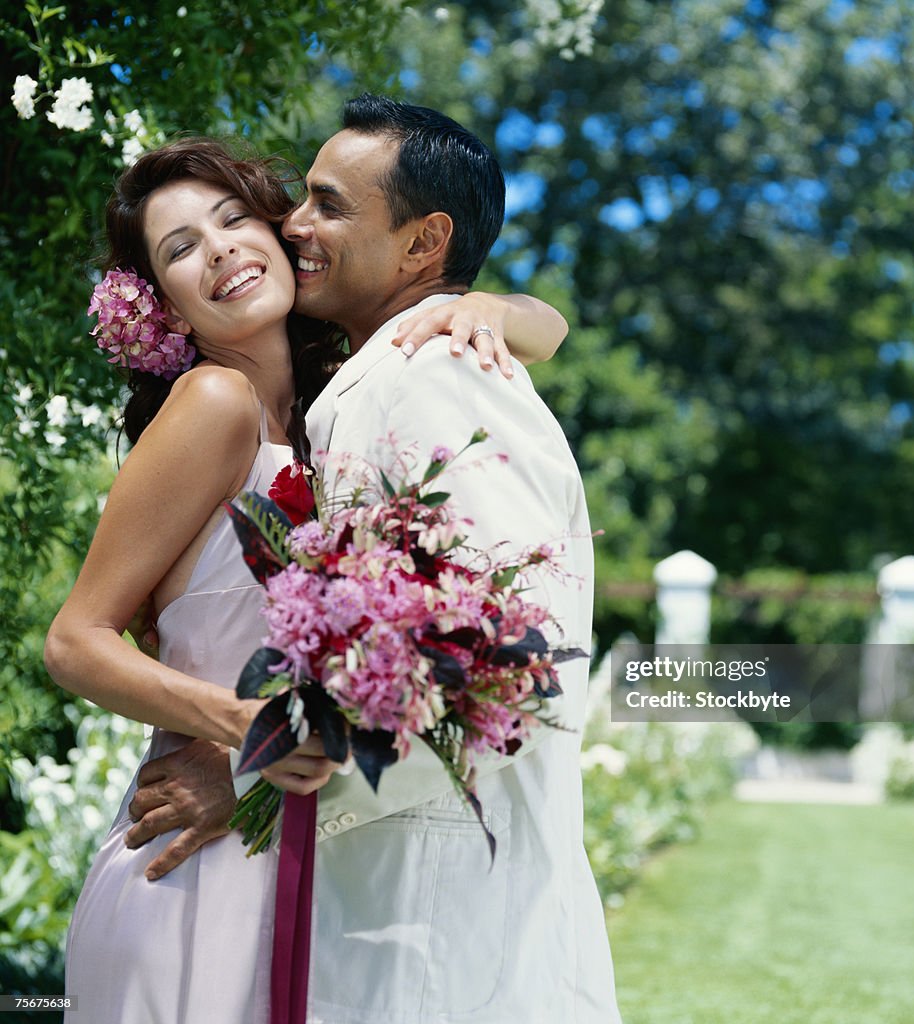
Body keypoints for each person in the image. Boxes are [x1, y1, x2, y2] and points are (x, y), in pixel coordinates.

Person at [44, 136, 571, 1023]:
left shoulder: (338, 406)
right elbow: (74, 641)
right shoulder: (215, 405)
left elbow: (549, 328)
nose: (217, 252)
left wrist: (493, 306)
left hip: (294, 843)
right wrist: (245, 735)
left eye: (232, 220)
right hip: (194, 861)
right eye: (179, 251)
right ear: (163, 307)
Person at [286, 94, 621, 1022]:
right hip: (393, 877)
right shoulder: (384, 366)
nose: (293, 224)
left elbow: (519, 656)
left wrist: (304, 772)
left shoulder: (442, 373)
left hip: (437, 894)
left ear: (423, 242)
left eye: (328, 204)